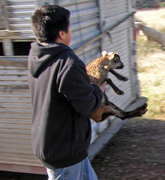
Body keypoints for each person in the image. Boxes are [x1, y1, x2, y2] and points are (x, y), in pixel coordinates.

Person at [28, 4, 106, 180]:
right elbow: (86, 106)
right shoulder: (67, 63)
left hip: (56, 144)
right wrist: (97, 90)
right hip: (64, 151)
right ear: (62, 34)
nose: (70, 31)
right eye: (69, 27)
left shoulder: (37, 56)